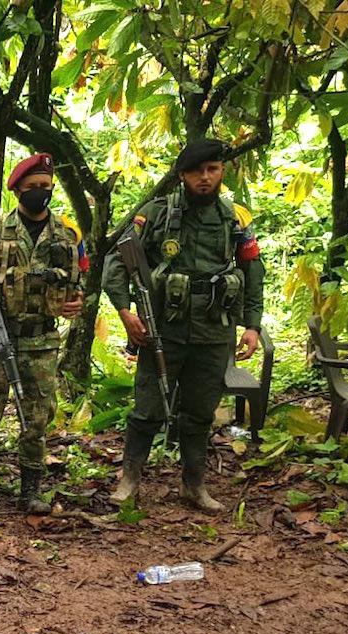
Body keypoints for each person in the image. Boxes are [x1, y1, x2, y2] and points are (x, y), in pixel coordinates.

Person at [102, 138, 265, 512]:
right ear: (182, 176)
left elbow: (252, 273)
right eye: (197, 172)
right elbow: (117, 261)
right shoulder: (157, 214)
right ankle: (129, 481)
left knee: (200, 411)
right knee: (147, 409)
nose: (205, 178)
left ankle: (194, 485)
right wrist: (126, 312)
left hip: (213, 330)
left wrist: (252, 325)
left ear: (223, 172)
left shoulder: (236, 219)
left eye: (212, 170)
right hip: (164, 330)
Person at [0, 154, 86, 521]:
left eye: (45, 186)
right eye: (32, 187)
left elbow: (78, 276)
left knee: (37, 417)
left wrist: (76, 300)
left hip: (41, 340)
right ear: (18, 189)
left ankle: (31, 492)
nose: (40, 192)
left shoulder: (67, 234)